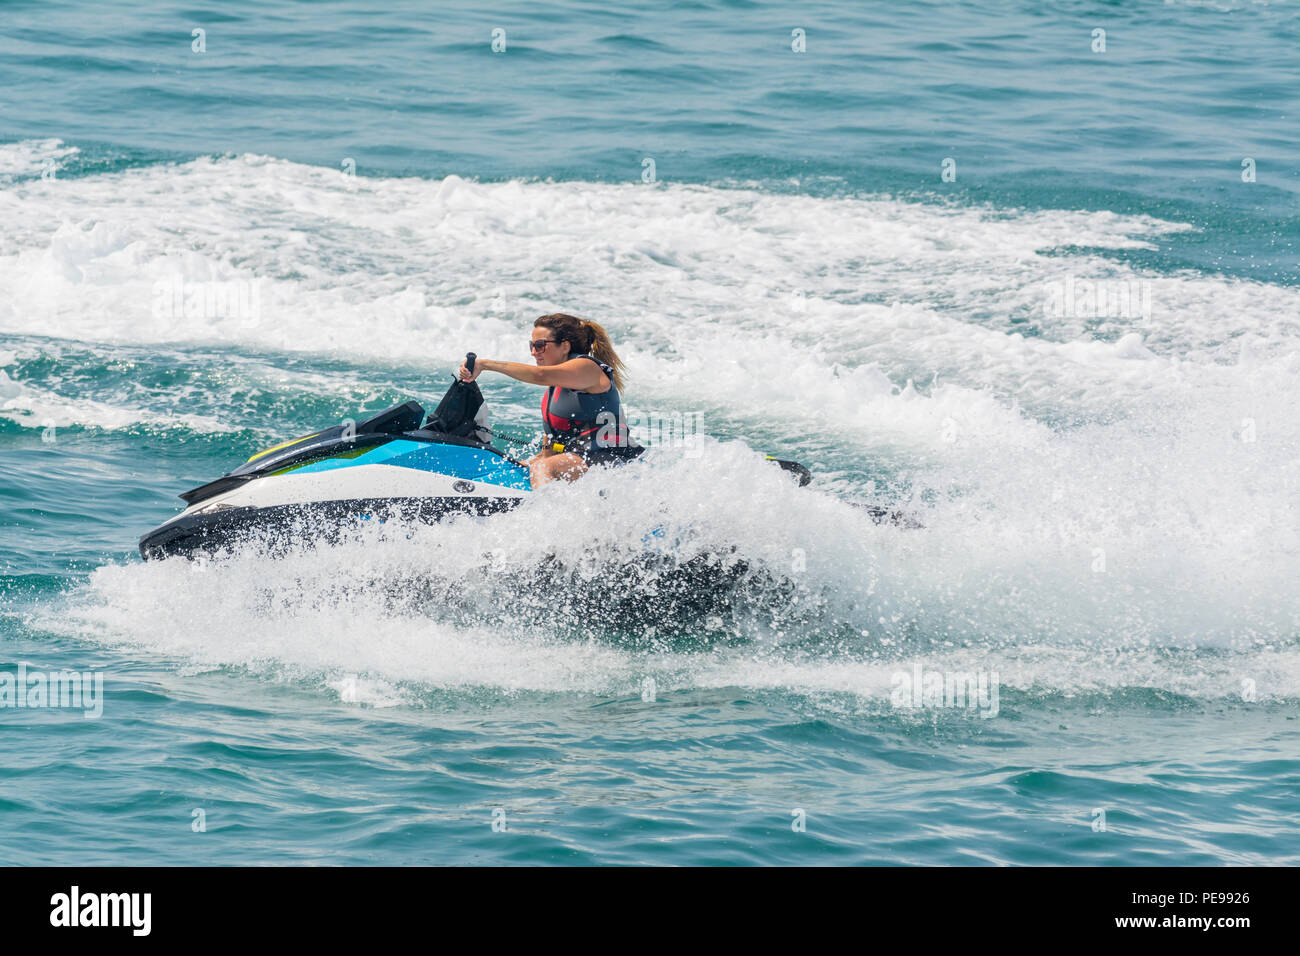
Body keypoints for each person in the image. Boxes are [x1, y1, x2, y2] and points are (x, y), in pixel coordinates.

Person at [457, 313, 641, 487]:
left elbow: (540, 375)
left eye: (540, 345)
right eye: (532, 345)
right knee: (511, 468)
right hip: (578, 461)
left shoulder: (588, 368)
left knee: (544, 468)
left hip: (615, 460)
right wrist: (518, 466)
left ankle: (542, 517)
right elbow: (548, 452)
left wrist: (485, 364)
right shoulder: (554, 391)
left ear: (565, 347)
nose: (533, 352)